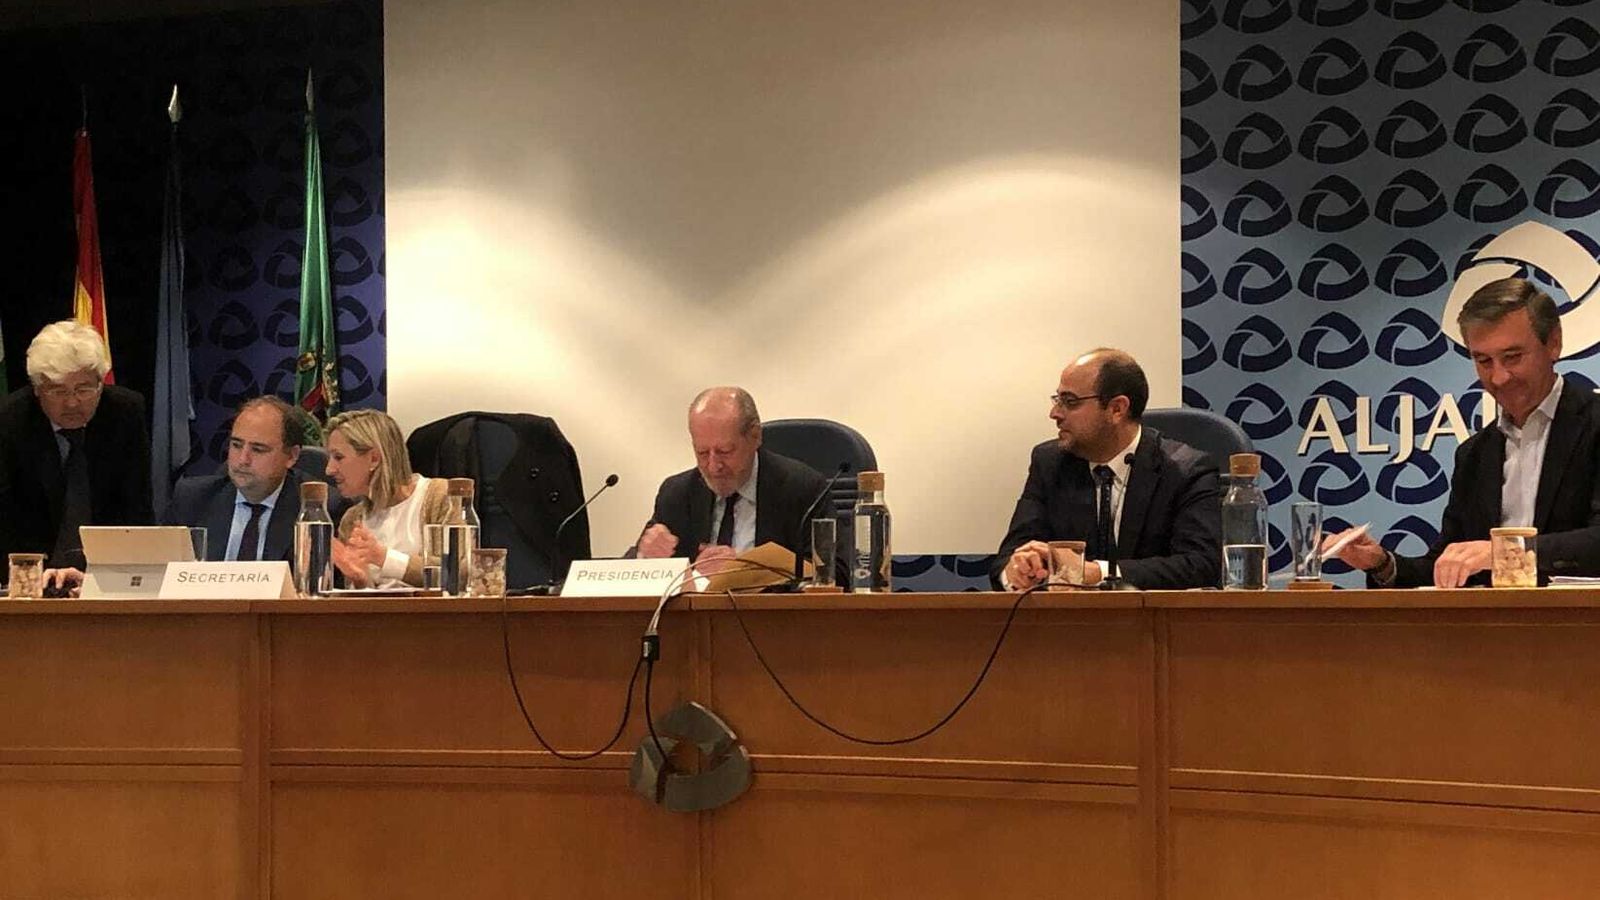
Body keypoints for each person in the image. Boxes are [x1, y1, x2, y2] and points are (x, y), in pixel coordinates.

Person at [1325, 277, 1600, 587]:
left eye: (1512, 357)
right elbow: (1448, 565)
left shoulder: (1594, 423)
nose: (1498, 377)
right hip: (1492, 631)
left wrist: (1504, 553)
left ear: (1554, 343)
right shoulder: (1474, 454)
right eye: (1483, 360)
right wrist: (1382, 563)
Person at [993, 349, 1222, 590]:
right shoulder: (1049, 463)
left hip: (1158, 623)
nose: (1055, 413)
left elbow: (1202, 564)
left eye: (1070, 402)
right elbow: (1006, 559)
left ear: (1117, 409)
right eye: (1057, 400)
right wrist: (1016, 571)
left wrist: (1097, 572)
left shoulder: (1186, 470)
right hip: (1068, 624)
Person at [0, 320, 152, 570]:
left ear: (101, 384)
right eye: (58, 391)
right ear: (37, 389)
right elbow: (6, 519)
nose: (72, 403)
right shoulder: (9, 422)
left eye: (84, 389)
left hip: (106, 572)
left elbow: (136, 508)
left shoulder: (125, 412)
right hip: (28, 572)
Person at [632, 387, 829, 568]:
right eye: (702, 452)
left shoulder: (802, 489)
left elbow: (834, 573)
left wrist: (747, 569)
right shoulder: (677, 494)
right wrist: (645, 556)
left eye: (724, 451)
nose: (713, 466)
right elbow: (625, 572)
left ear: (755, 436)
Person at [161, 396, 305, 561]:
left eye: (258, 449)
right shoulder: (192, 500)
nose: (243, 459)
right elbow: (161, 572)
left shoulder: (315, 509)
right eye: (236, 445)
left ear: (292, 456)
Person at [324, 408, 450, 588]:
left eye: (338, 457)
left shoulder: (439, 496)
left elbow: (457, 573)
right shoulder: (352, 519)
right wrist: (361, 580)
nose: (329, 469)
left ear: (374, 458)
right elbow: (364, 603)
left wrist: (383, 557)